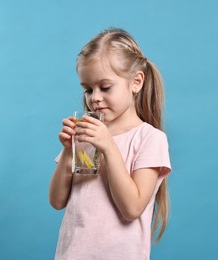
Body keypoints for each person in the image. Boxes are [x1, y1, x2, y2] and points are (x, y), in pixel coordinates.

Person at [49, 28, 172, 260]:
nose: (94, 97)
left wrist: (109, 146)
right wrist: (68, 152)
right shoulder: (87, 135)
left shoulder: (149, 139)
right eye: (88, 89)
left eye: (105, 87)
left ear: (136, 82)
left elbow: (132, 208)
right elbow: (57, 201)